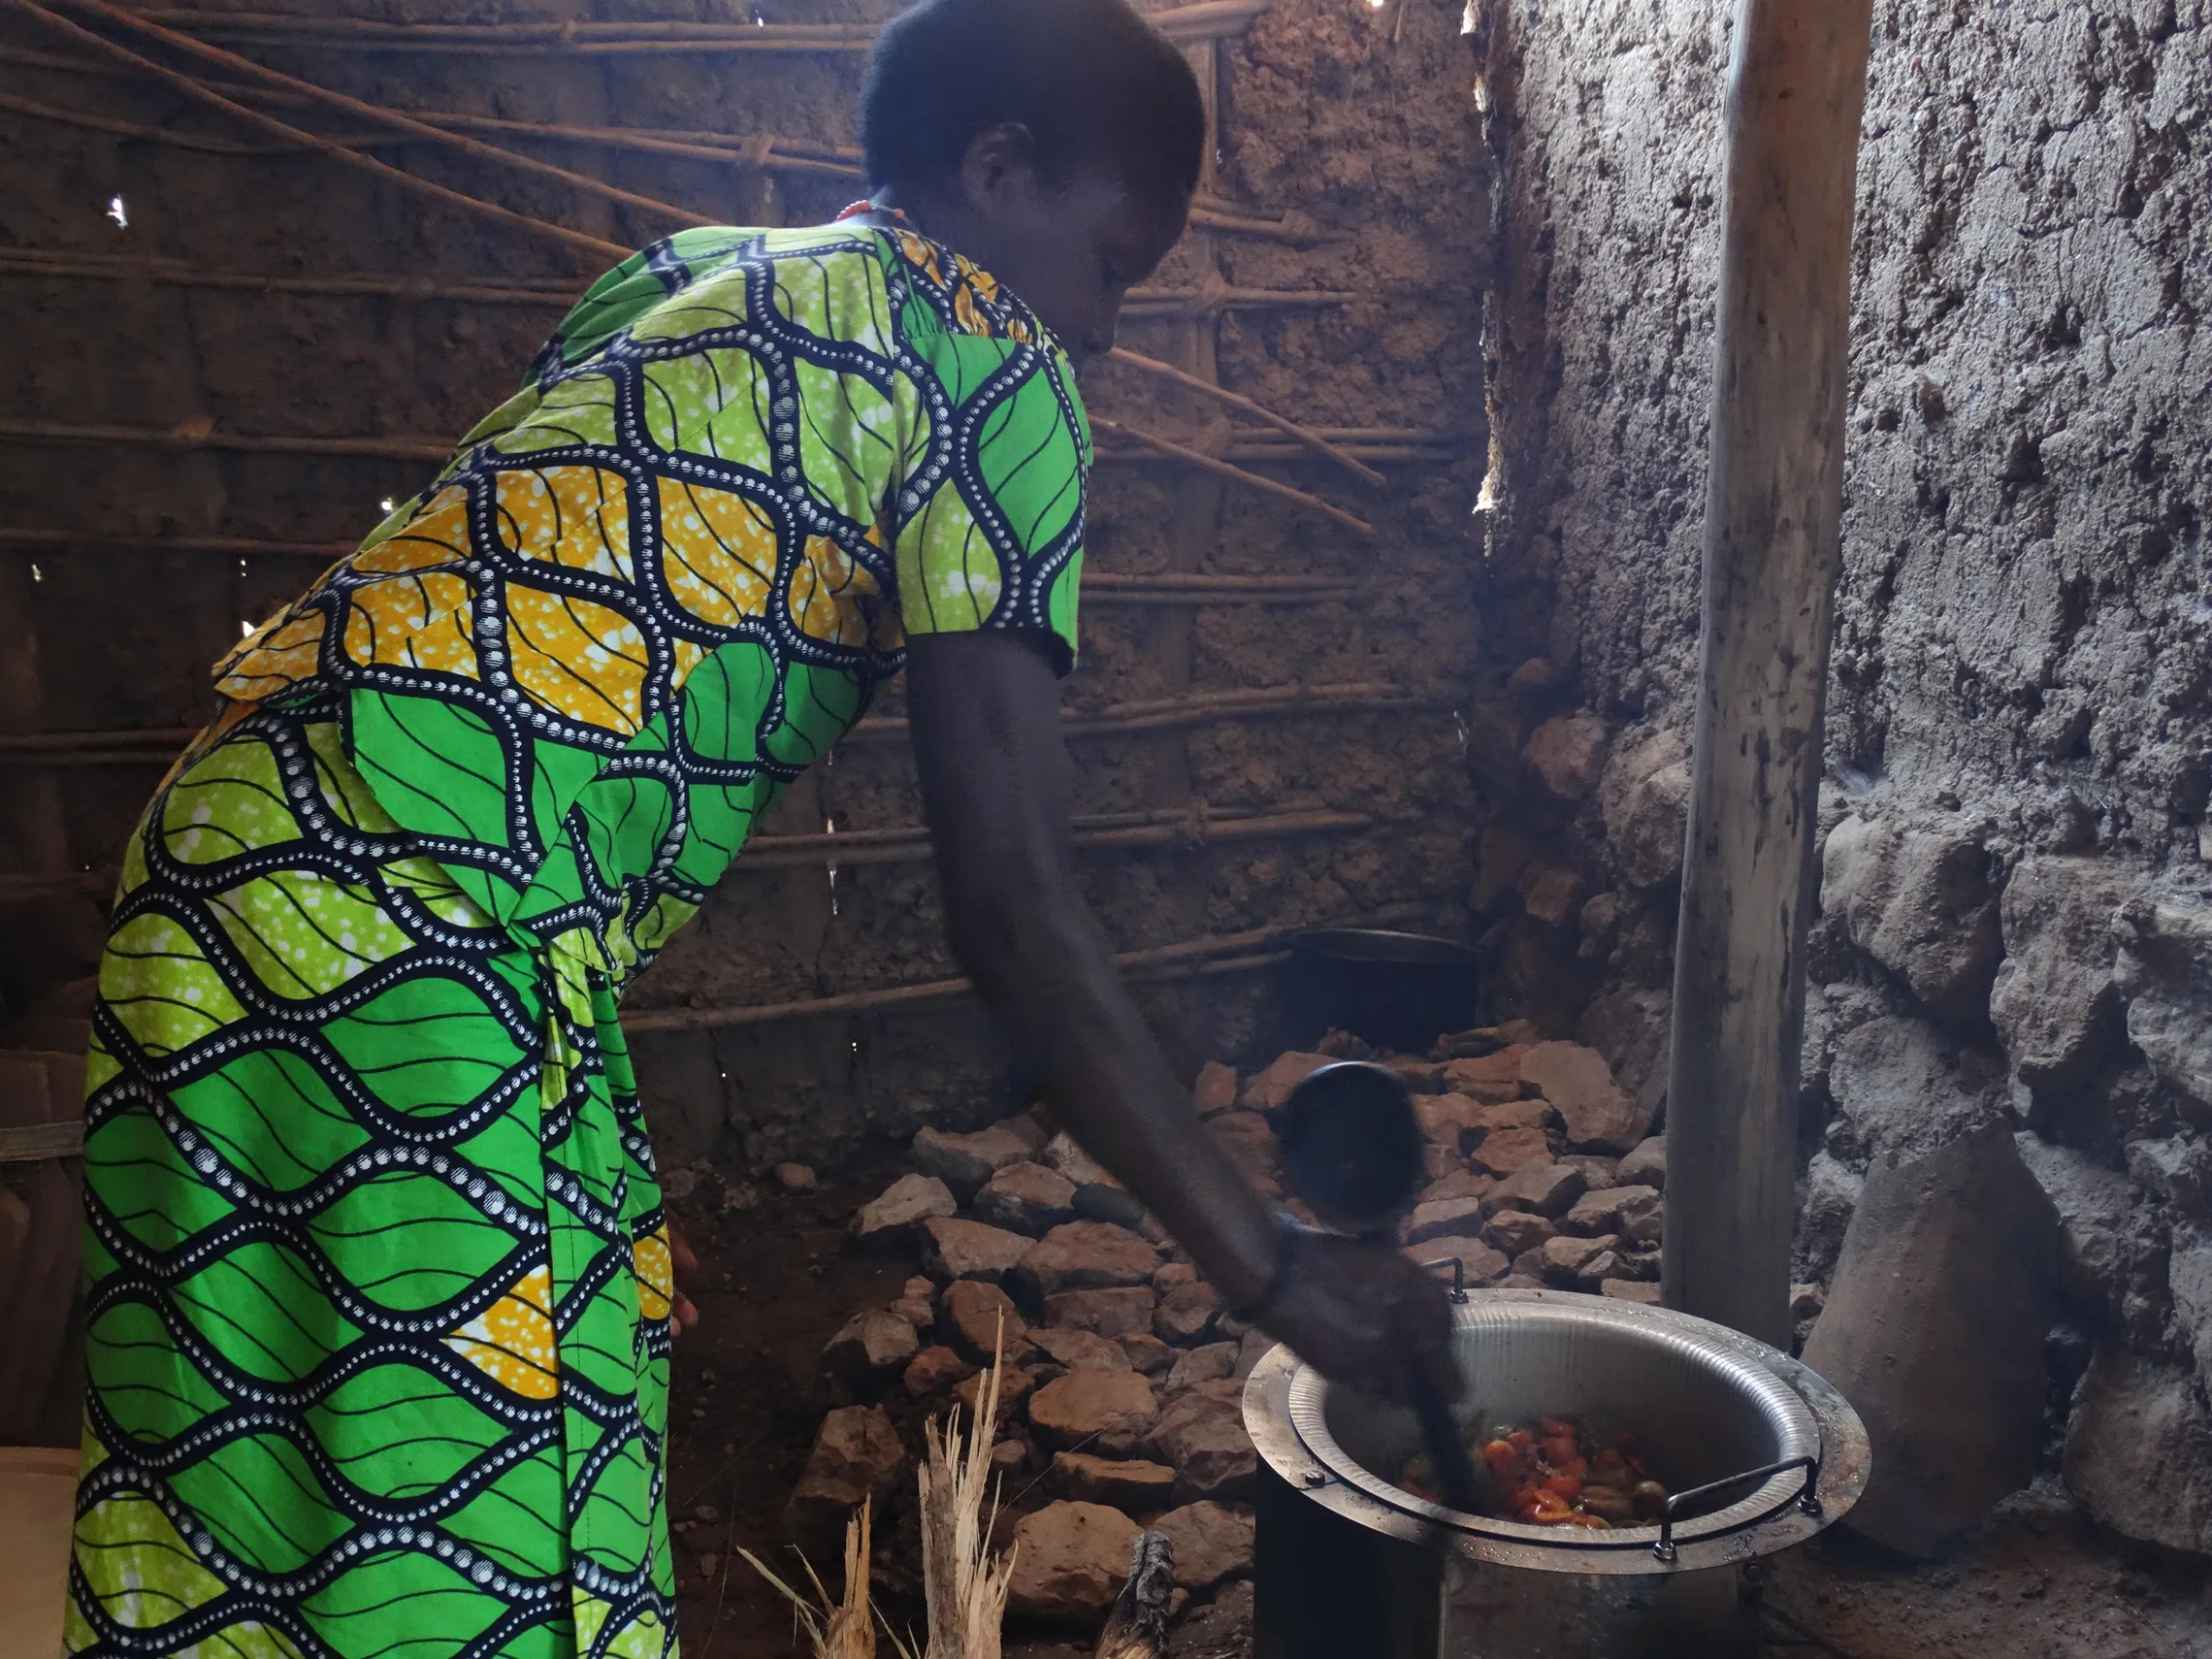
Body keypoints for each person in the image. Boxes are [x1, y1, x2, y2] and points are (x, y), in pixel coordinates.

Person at [63, 0, 1457, 1652]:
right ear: (999, 173)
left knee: (264, 1518)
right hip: (413, 936)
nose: (1106, 329)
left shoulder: (684, 274)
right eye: (1116, 265)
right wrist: (1278, 1272)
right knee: (483, 1551)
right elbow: (1013, 912)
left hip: (228, 862)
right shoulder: (988, 359)